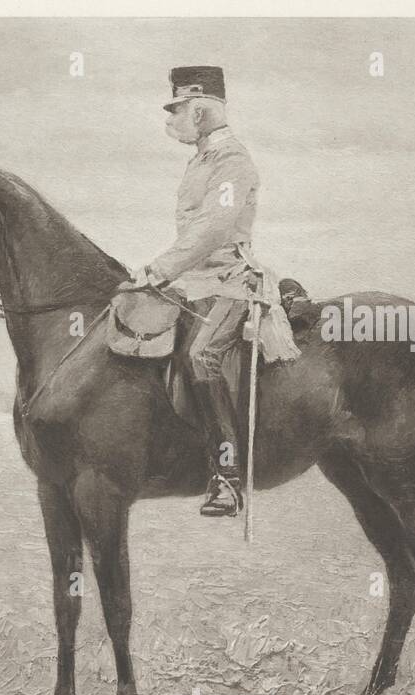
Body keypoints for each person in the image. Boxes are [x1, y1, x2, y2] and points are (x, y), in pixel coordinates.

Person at [123, 66, 259, 518]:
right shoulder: (200, 160)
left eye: (177, 109)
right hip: (191, 283)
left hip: (228, 284)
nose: (172, 118)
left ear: (200, 111)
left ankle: (227, 477)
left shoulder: (231, 161)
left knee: (202, 356)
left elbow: (213, 227)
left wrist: (160, 269)